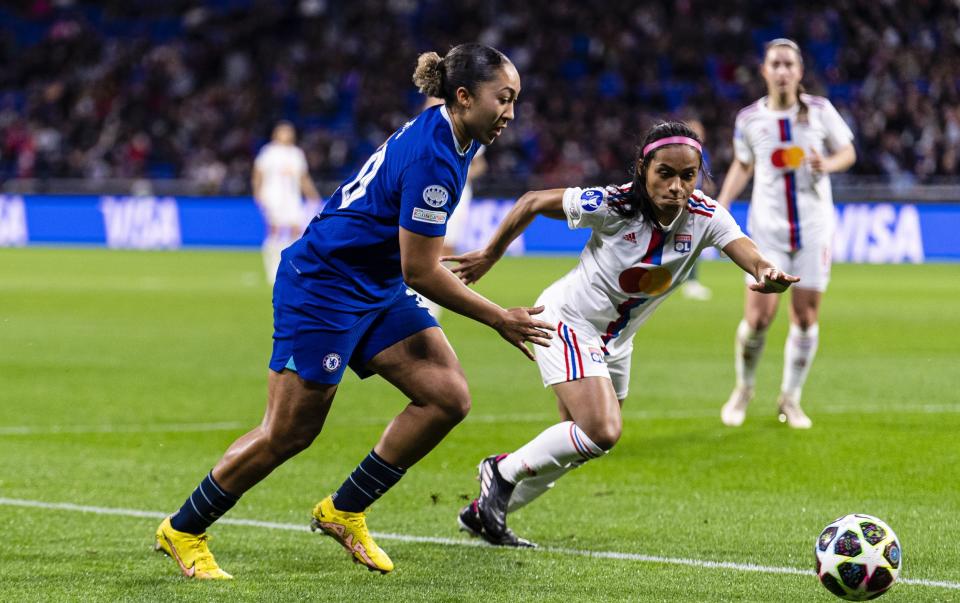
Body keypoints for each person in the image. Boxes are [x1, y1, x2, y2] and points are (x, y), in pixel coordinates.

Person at [154, 43, 553, 579]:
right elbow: (422, 271)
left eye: (515, 101)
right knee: (289, 432)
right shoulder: (437, 157)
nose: (511, 113)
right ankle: (184, 528)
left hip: (376, 284)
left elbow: (407, 265)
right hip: (325, 285)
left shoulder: (451, 131)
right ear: (463, 96)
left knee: (446, 396)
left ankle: (345, 509)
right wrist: (498, 317)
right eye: (503, 100)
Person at [445, 121, 799, 546]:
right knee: (602, 430)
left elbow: (744, 248)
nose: (677, 186)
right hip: (567, 322)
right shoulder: (613, 205)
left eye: (688, 175)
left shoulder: (704, 216)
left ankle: (485, 514)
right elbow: (533, 201)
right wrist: (489, 255)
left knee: (575, 445)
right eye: (665, 173)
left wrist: (765, 270)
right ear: (643, 168)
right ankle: (500, 472)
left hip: (615, 343)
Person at [716, 38, 856, 429]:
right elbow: (743, 165)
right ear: (764, 71)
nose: (781, 71)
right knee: (759, 318)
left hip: (813, 229)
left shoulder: (820, 111)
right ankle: (744, 389)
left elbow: (848, 152)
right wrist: (721, 206)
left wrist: (825, 163)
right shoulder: (749, 120)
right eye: (774, 64)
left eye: (788, 65)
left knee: (806, 316)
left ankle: (790, 399)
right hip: (767, 232)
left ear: (799, 72)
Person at [418, 96, 489, 319]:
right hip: (427, 190)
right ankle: (419, 300)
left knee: (445, 248)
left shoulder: (465, 134)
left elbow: (480, 164)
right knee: (421, 247)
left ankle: (433, 304)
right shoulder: (422, 134)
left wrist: (460, 175)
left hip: (457, 194)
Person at [252, 121, 321, 285]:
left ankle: (289, 266)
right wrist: (258, 193)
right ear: (276, 133)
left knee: (296, 231)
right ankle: (271, 268)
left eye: (289, 131)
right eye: (283, 131)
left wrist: (312, 195)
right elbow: (258, 174)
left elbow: (303, 178)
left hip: (292, 198)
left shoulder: (296, 153)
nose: (287, 134)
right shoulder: (268, 152)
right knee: (274, 230)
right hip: (273, 197)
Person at [681, 117, 714, 301]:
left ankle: (690, 282)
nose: (701, 134)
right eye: (697, 130)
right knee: (689, 242)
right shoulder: (685, 152)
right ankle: (690, 283)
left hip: (696, 200)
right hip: (684, 202)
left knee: (692, 242)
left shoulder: (703, 152)